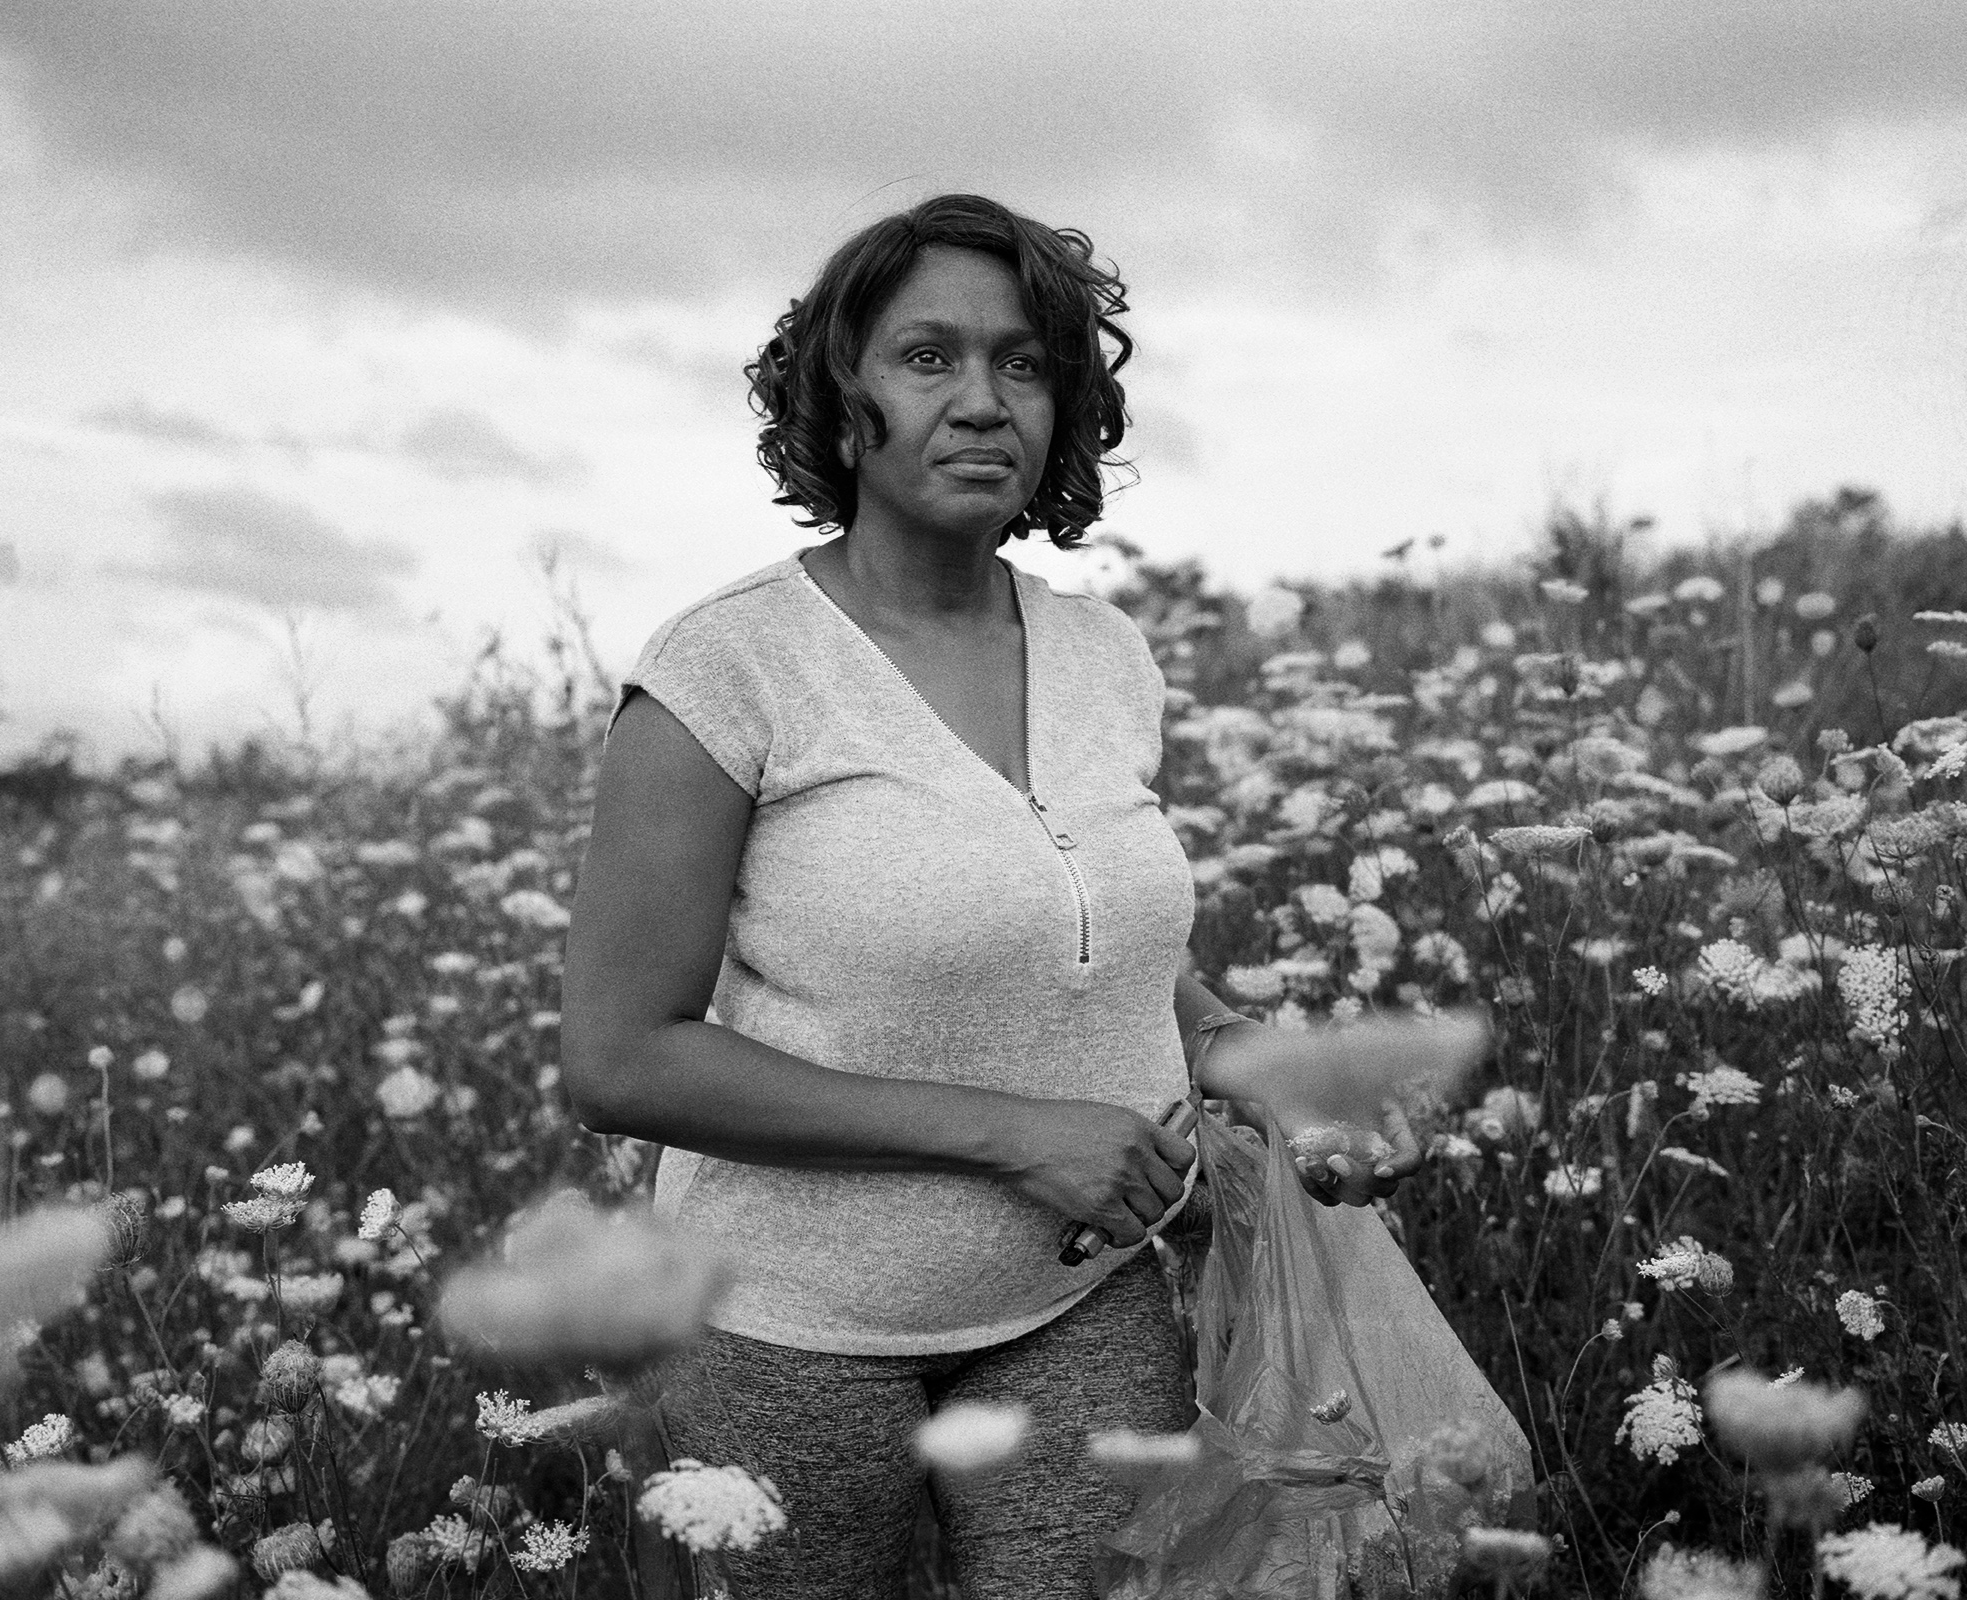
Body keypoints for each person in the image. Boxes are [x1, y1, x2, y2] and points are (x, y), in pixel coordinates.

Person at [562, 194, 1485, 1600]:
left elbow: (1099, 952)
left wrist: (1266, 1069)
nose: (984, 400)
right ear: (842, 395)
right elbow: (620, 1058)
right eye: (929, 357)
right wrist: (1012, 1134)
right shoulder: (726, 670)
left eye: (1026, 363)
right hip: (785, 1334)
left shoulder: (1109, 654)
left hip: (1083, 1299)